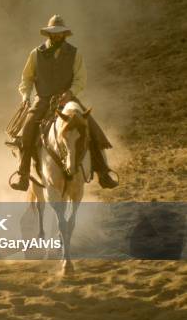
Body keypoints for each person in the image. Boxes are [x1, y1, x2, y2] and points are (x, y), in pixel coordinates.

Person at [9, 15, 119, 192]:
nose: (57, 36)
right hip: (43, 100)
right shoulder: (36, 53)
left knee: (92, 129)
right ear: (49, 34)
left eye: (60, 34)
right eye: (54, 33)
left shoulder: (75, 54)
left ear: (65, 35)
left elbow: (80, 79)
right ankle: (23, 175)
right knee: (27, 131)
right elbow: (26, 79)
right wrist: (25, 96)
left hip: (68, 99)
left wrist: (70, 93)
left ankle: (104, 173)